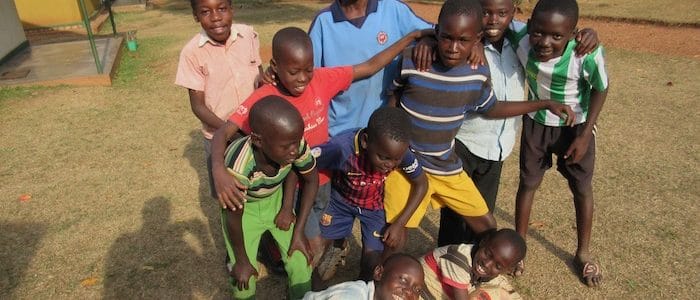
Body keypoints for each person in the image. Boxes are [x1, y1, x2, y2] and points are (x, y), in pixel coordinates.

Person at [211, 27, 433, 270]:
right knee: (303, 236)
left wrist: (410, 38)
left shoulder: (321, 79)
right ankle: (295, 270)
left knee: (318, 230)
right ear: (274, 66)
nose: (303, 78)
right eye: (294, 72)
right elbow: (224, 131)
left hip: (323, 179)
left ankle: (323, 253)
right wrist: (219, 171)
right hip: (289, 184)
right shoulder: (266, 95)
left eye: (308, 69)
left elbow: (369, 67)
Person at [384, 0, 575, 241]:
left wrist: (547, 102)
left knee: (483, 224)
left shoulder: (510, 50)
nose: (453, 47)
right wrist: (427, 39)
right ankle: (410, 270)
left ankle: (468, 270)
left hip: (472, 156)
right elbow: (395, 95)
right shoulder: (427, 55)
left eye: (463, 40)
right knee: (421, 228)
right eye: (486, 12)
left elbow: (492, 107)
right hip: (434, 154)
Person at [438, 0, 600, 247]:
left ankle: (469, 262)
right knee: (455, 210)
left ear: (514, 13)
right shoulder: (468, 41)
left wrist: (588, 34)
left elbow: (555, 28)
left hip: (499, 145)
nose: (493, 20)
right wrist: (474, 42)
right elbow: (444, 31)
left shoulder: (523, 39)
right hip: (465, 139)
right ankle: (443, 259)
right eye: (485, 13)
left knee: (483, 209)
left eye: (502, 13)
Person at [506, 0, 609, 287]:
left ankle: (583, 253)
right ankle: (519, 248)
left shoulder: (584, 53)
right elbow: (492, 22)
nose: (545, 42)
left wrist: (585, 134)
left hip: (574, 130)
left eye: (557, 36)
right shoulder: (520, 38)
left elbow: (601, 87)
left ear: (573, 33)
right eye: (538, 33)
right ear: (529, 27)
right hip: (536, 124)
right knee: (527, 184)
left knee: (581, 188)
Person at [313, 107, 427, 281]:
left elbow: (421, 184)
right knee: (316, 250)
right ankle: (317, 284)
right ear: (366, 141)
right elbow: (307, 164)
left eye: (395, 159)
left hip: (374, 208)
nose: (390, 164)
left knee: (372, 266)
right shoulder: (341, 148)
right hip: (340, 202)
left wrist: (399, 223)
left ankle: (361, 288)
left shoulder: (399, 152)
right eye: (383, 157)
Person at [220, 96, 317, 299]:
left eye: (297, 141)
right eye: (287, 146)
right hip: (243, 211)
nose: (295, 150)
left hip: (275, 200)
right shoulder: (238, 165)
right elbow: (233, 215)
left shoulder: (292, 143)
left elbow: (310, 180)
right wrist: (241, 259)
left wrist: (296, 226)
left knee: (300, 259)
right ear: (258, 141)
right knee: (244, 277)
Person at [175, 0, 261, 199]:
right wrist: (232, 130)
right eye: (205, 12)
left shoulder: (248, 35)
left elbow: (260, 81)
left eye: (222, 9)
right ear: (196, 16)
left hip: (258, 132)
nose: (215, 17)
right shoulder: (191, 53)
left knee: (262, 189)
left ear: (231, 9)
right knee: (231, 197)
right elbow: (198, 106)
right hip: (220, 138)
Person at [308, 0, 432, 137]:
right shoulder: (324, 22)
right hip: (339, 133)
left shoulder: (393, 10)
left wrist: (426, 40)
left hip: (384, 133)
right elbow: (310, 81)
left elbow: (441, 34)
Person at [420, 229, 526, 300]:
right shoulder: (459, 259)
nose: (487, 264)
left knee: (501, 288)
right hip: (421, 291)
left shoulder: (485, 266)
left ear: (507, 270)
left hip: (453, 289)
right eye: (487, 253)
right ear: (483, 242)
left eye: (498, 266)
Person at [303, 253, 425, 300]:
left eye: (417, 289)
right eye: (403, 279)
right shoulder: (350, 297)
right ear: (379, 273)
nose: (409, 291)